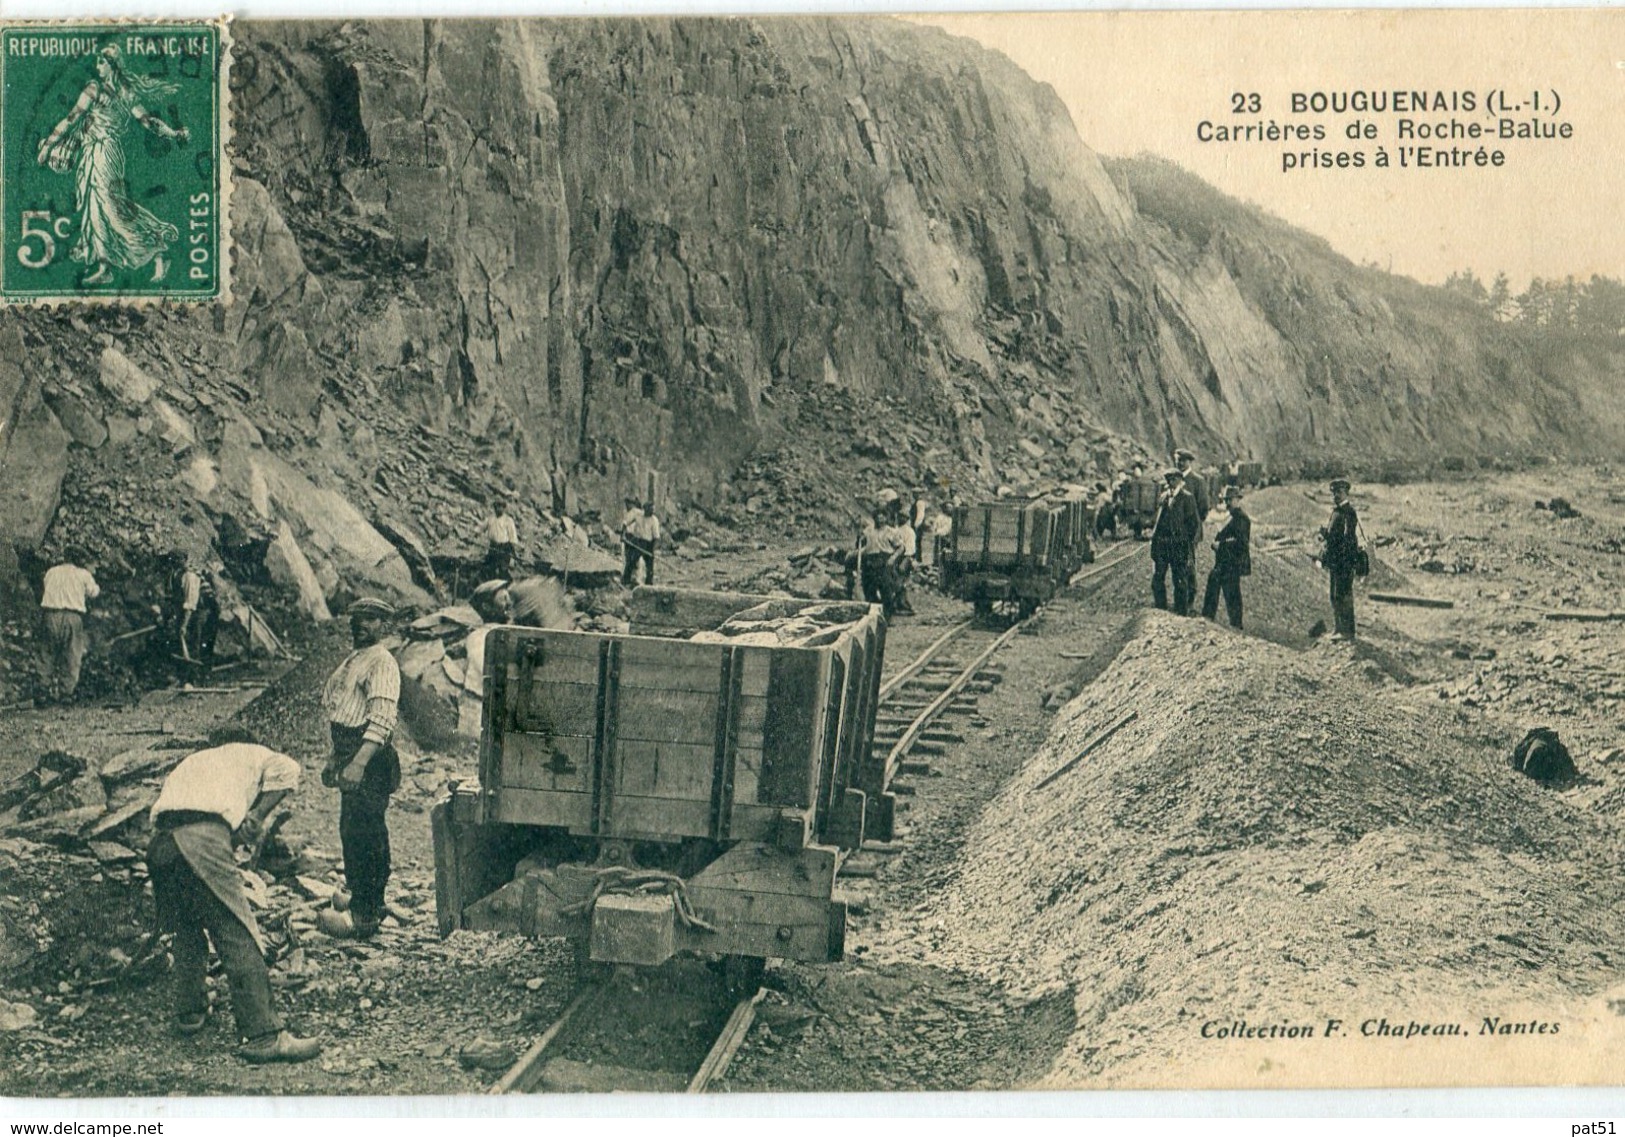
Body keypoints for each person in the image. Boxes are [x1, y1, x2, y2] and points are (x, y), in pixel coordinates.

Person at [146, 728, 321, 1063]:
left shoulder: (194, 762)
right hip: (201, 839)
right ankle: (263, 1035)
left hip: (161, 845)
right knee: (236, 931)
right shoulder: (254, 754)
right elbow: (288, 770)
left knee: (186, 931)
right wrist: (255, 817)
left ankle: (189, 1011)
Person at [35, 46, 189, 286]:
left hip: (104, 153)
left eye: (101, 62)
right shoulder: (123, 91)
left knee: (110, 206)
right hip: (93, 152)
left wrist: (47, 147)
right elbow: (149, 123)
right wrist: (173, 132)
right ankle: (104, 265)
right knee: (94, 207)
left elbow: (71, 118)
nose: (97, 66)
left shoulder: (98, 90)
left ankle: (157, 250)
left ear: (112, 65)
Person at [321, 598, 403, 939]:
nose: (361, 625)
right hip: (349, 751)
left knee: (366, 833)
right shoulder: (354, 658)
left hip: (369, 757)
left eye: (370, 620)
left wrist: (357, 763)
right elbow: (342, 710)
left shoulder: (382, 661)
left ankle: (366, 913)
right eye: (357, 618)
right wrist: (334, 759)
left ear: (384, 625)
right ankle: (361, 896)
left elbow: (381, 719)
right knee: (351, 831)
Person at [40, 553, 99, 702]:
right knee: (72, 653)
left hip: (50, 614)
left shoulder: (51, 571)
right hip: (72, 616)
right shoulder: (83, 574)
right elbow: (93, 593)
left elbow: (45, 586)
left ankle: (43, 690)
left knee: (47, 652)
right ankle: (66, 692)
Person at [1149, 469, 1199, 616]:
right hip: (1163, 546)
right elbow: (1158, 523)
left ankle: (1181, 610)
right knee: (1157, 578)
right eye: (1168, 480)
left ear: (1179, 481)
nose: (1170, 483)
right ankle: (1160, 608)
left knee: (1180, 579)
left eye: (1173, 480)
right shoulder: (1164, 497)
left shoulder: (1187, 498)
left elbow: (1193, 524)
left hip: (1179, 546)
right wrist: (1155, 543)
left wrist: (1184, 541)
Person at [1201, 486, 1251, 629]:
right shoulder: (1232, 516)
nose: (1228, 503)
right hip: (1224, 561)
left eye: (1231, 500)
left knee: (1232, 593)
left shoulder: (1241, 518)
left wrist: (1220, 545)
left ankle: (1236, 625)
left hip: (1232, 562)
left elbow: (1240, 542)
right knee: (1215, 584)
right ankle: (1208, 617)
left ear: (1238, 500)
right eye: (1226, 500)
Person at [1319, 478, 1361, 641]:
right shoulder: (1336, 512)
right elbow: (1335, 535)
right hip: (1336, 562)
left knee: (1344, 595)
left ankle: (1348, 631)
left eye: (1339, 492)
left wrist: (1344, 559)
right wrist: (1326, 534)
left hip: (1344, 562)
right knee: (1335, 595)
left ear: (1346, 493)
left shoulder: (1349, 513)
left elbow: (1349, 539)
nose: (1336, 495)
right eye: (1334, 493)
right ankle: (1338, 628)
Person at [620, 499, 661, 586]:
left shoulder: (654, 520)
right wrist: (622, 535)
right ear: (645, 509)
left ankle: (649, 584)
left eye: (653, 510)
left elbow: (657, 538)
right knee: (631, 560)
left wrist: (653, 551)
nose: (652, 511)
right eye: (650, 509)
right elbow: (625, 523)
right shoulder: (637, 514)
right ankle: (625, 580)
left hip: (648, 543)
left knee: (649, 565)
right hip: (637, 541)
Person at [480, 498, 519, 582]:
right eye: (497, 506)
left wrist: (512, 555)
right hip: (493, 547)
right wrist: (474, 533)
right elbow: (481, 528)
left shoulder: (508, 520)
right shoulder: (490, 519)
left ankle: (507, 587)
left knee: (503, 570)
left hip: (504, 548)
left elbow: (513, 538)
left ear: (504, 508)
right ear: (494, 507)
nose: (499, 509)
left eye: (501, 506)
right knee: (490, 568)